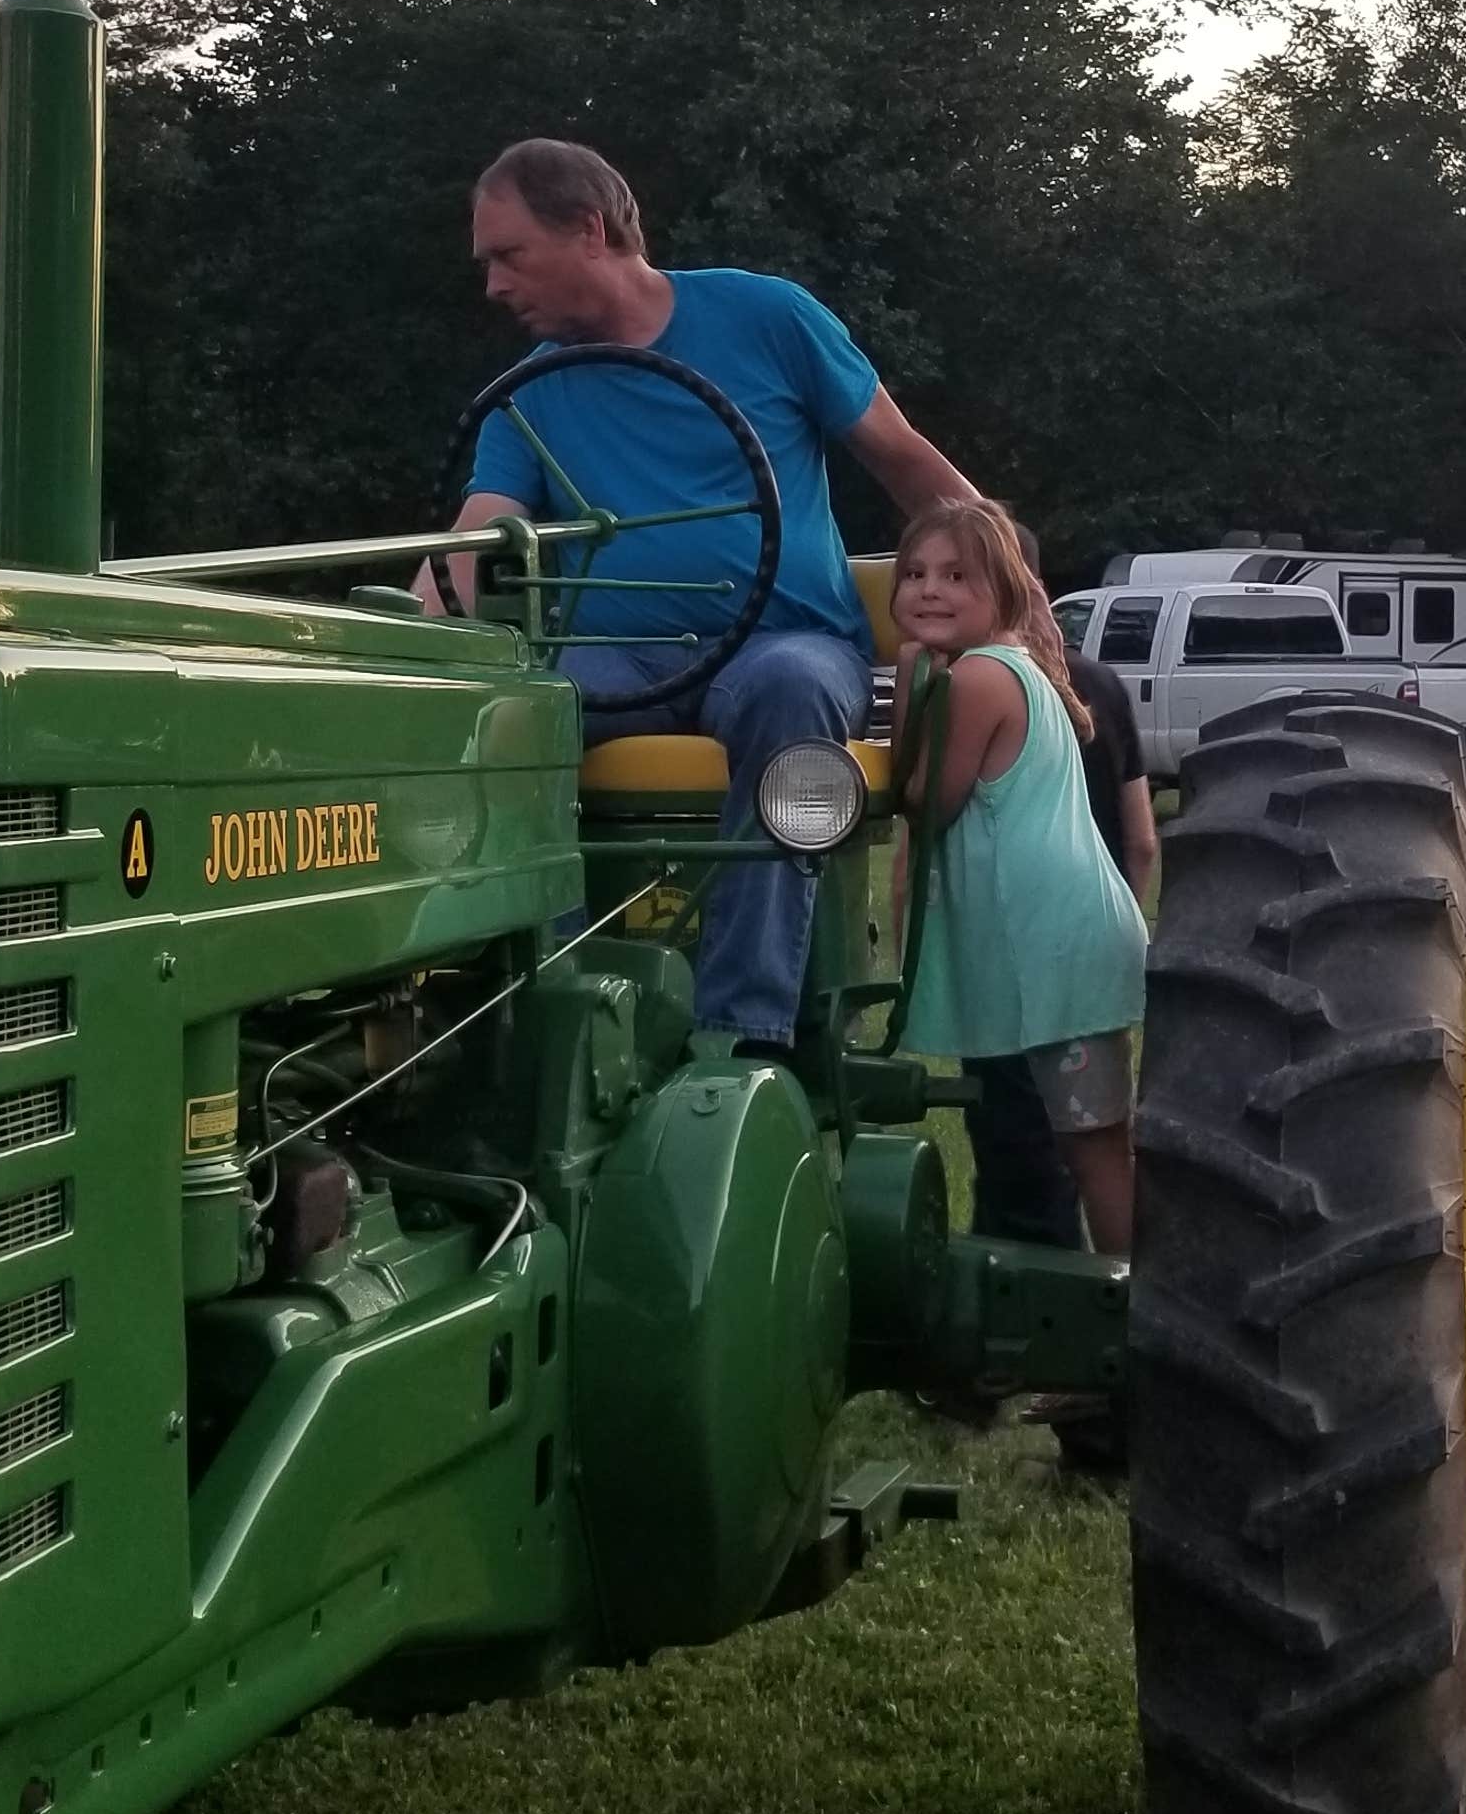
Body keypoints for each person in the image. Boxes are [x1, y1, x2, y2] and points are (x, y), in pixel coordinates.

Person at [432, 138, 984, 1053]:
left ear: (590, 230)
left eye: (508, 254)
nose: (492, 285)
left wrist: (1022, 602)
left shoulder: (766, 316)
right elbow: (472, 541)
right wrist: (407, 651)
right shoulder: (527, 393)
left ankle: (742, 1029)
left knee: (792, 690)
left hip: (782, 641)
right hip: (617, 663)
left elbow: (906, 460)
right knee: (515, 713)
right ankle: (562, 1013)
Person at [889, 498, 1150, 1259]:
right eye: (913, 574)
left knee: (1093, 1146)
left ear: (1003, 590)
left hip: (1054, 949)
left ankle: (1138, 1317)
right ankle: (1124, 1311)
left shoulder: (978, 679)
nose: (928, 590)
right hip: (1055, 941)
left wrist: (908, 680)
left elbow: (924, 799)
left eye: (955, 575)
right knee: (1084, 1139)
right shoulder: (1017, 666)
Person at [966, 519, 1156, 1248]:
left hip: (1010, 940)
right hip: (1089, 933)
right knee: (1099, 1132)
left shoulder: (978, 684)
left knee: (1012, 1124)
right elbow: (1140, 838)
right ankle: (1128, 1295)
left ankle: (1028, 1295)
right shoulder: (1103, 686)